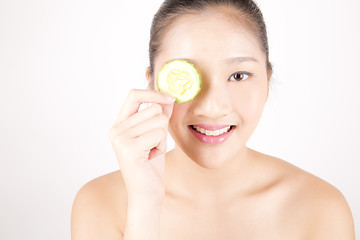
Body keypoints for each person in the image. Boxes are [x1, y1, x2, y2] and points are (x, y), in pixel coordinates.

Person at [71, 0, 355, 239]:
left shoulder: (322, 208)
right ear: (152, 85)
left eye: (238, 75)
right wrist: (145, 207)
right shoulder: (100, 203)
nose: (212, 107)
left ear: (267, 79)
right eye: (185, 76)